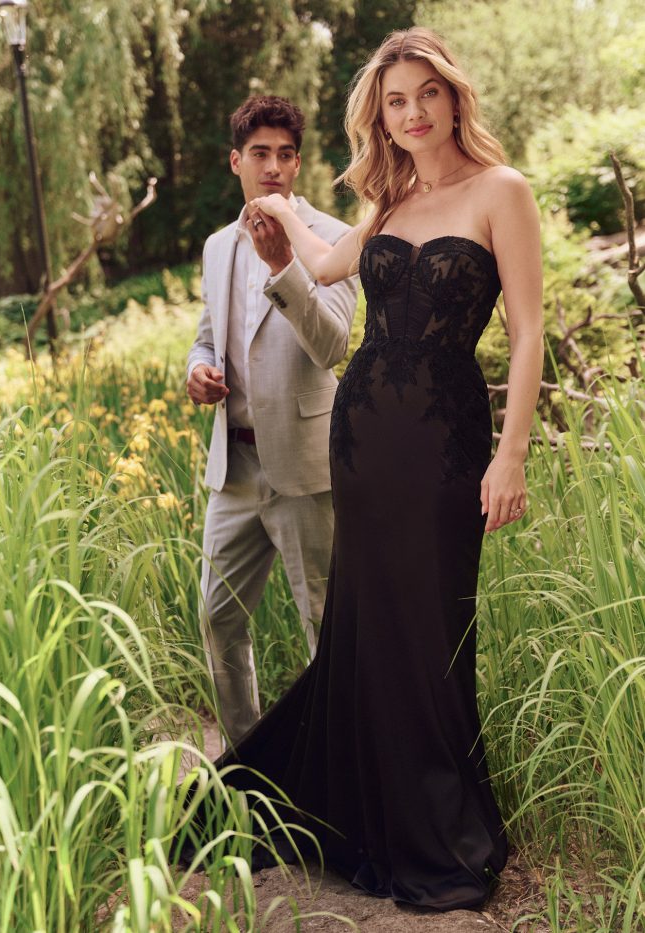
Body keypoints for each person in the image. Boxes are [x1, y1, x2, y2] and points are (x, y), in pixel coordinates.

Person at [211, 27, 544, 910]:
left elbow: (528, 333)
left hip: (444, 443)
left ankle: (439, 824)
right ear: (381, 118)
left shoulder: (500, 192)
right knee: (366, 624)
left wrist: (511, 451)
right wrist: (278, 217)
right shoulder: (388, 207)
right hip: (360, 437)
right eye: (395, 102)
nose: (411, 112)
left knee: (431, 629)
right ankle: (371, 813)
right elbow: (322, 268)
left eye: (424, 94)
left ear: (452, 96)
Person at [186, 96, 358, 746]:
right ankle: (249, 764)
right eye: (261, 153)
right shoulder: (215, 247)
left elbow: (333, 344)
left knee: (325, 623)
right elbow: (209, 337)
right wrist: (198, 370)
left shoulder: (335, 237)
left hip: (305, 469)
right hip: (235, 468)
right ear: (237, 162)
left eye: (287, 154)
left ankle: (338, 769)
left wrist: (283, 264)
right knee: (217, 618)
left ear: (299, 162)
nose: (275, 167)